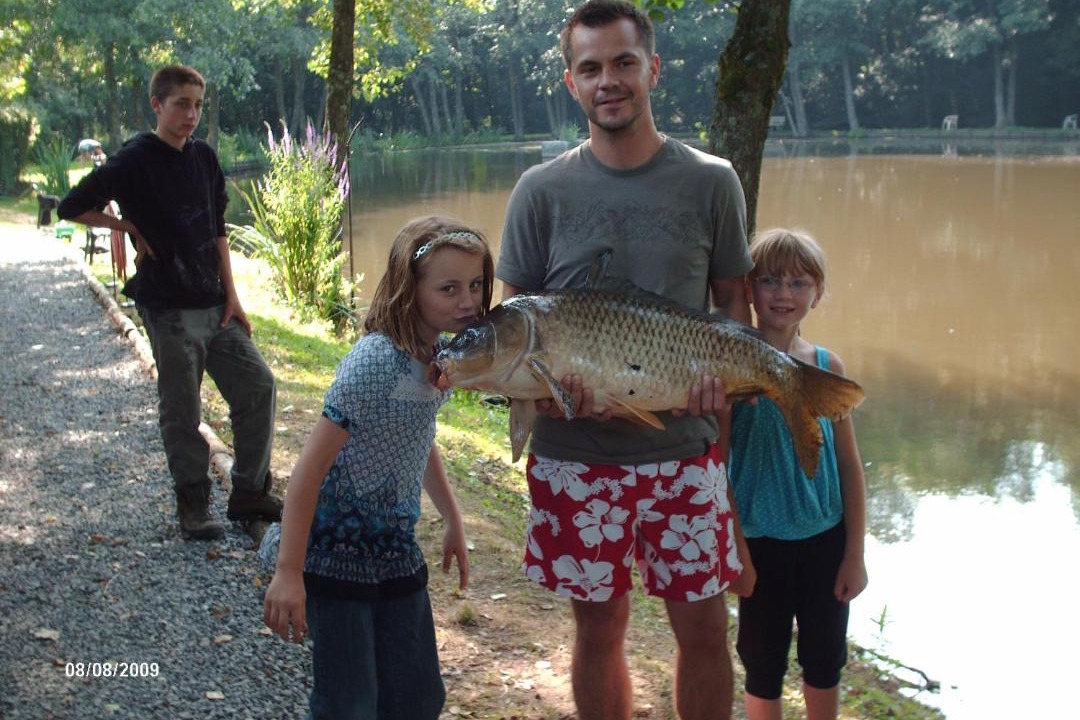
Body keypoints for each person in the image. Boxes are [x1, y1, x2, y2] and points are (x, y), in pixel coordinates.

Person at [496, 2, 754, 718]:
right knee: (599, 626)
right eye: (590, 68)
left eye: (622, 63)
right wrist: (535, 395)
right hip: (575, 454)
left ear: (652, 70)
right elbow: (513, 324)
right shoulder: (539, 191)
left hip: (685, 450)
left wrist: (725, 386)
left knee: (704, 626)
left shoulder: (712, 181)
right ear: (571, 83)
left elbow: (733, 303)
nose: (607, 80)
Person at [260, 216, 491, 720]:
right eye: (448, 288)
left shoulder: (437, 358)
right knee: (351, 703)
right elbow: (309, 470)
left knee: (418, 698)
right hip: (332, 552)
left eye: (475, 285)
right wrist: (288, 572)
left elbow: (417, 437)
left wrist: (452, 518)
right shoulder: (376, 360)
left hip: (392, 550)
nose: (468, 301)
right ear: (411, 289)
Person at [57, 64, 282, 540]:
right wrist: (129, 227)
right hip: (169, 307)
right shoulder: (134, 160)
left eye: (198, 105)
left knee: (258, 386)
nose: (191, 115)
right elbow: (71, 206)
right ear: (157, 104)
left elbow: (218, 231)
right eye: (182, 104)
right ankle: (194, 503)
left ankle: (248, 492)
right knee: (182, 409)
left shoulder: (203, 158)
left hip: (216, 304)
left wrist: (234, 297)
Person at [726, 228, 869, 720]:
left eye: (798, 282)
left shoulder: (827, 366)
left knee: (824, 660)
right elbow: (715, 469)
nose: (783, 294)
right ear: (749, 290)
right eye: (769, 281)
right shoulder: (730, 363)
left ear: (818, 292)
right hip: (759, 543)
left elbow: (849, 467)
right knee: (762, 665)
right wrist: (736, 553)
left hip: (825, 542)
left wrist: (854, 554)